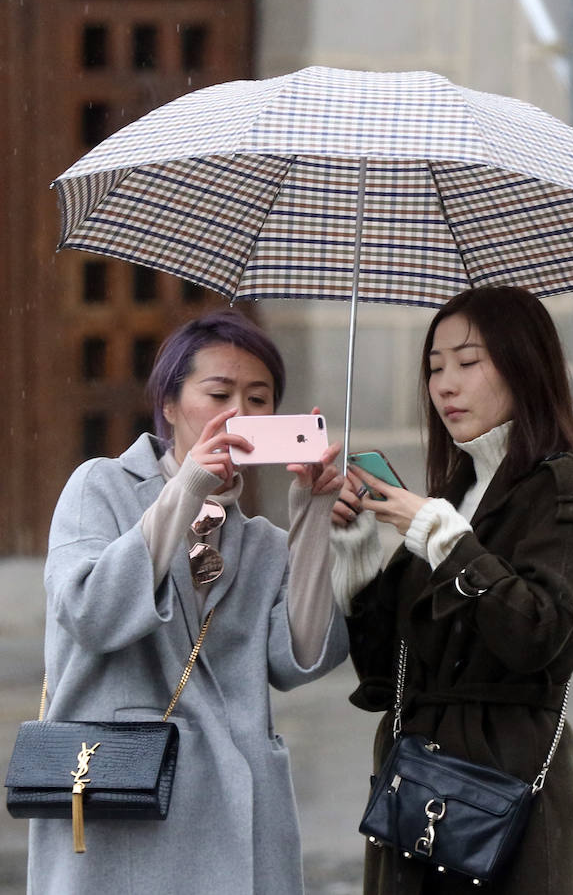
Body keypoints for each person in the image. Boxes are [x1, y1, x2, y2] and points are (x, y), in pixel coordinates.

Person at [29, 309, 349, 895]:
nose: (241, 414)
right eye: (219, 393)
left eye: (259, 398)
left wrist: (311, 516)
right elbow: (92, 614)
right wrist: (187, 489)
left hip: (238, 812)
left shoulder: (261, 541)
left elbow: (300, 657)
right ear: (170, 404)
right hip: (119, 794)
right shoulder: (98, 486)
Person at [330, 286, 573, 895]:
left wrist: (445, 539)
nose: (445, 385)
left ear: (523, 365)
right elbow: (383, 675)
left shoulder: (565, 486)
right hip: (414, 785)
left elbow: (535, 631)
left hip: (504, 780)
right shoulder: (454, 492)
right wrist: (357, 554)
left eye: (468, 361)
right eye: (434, 367)